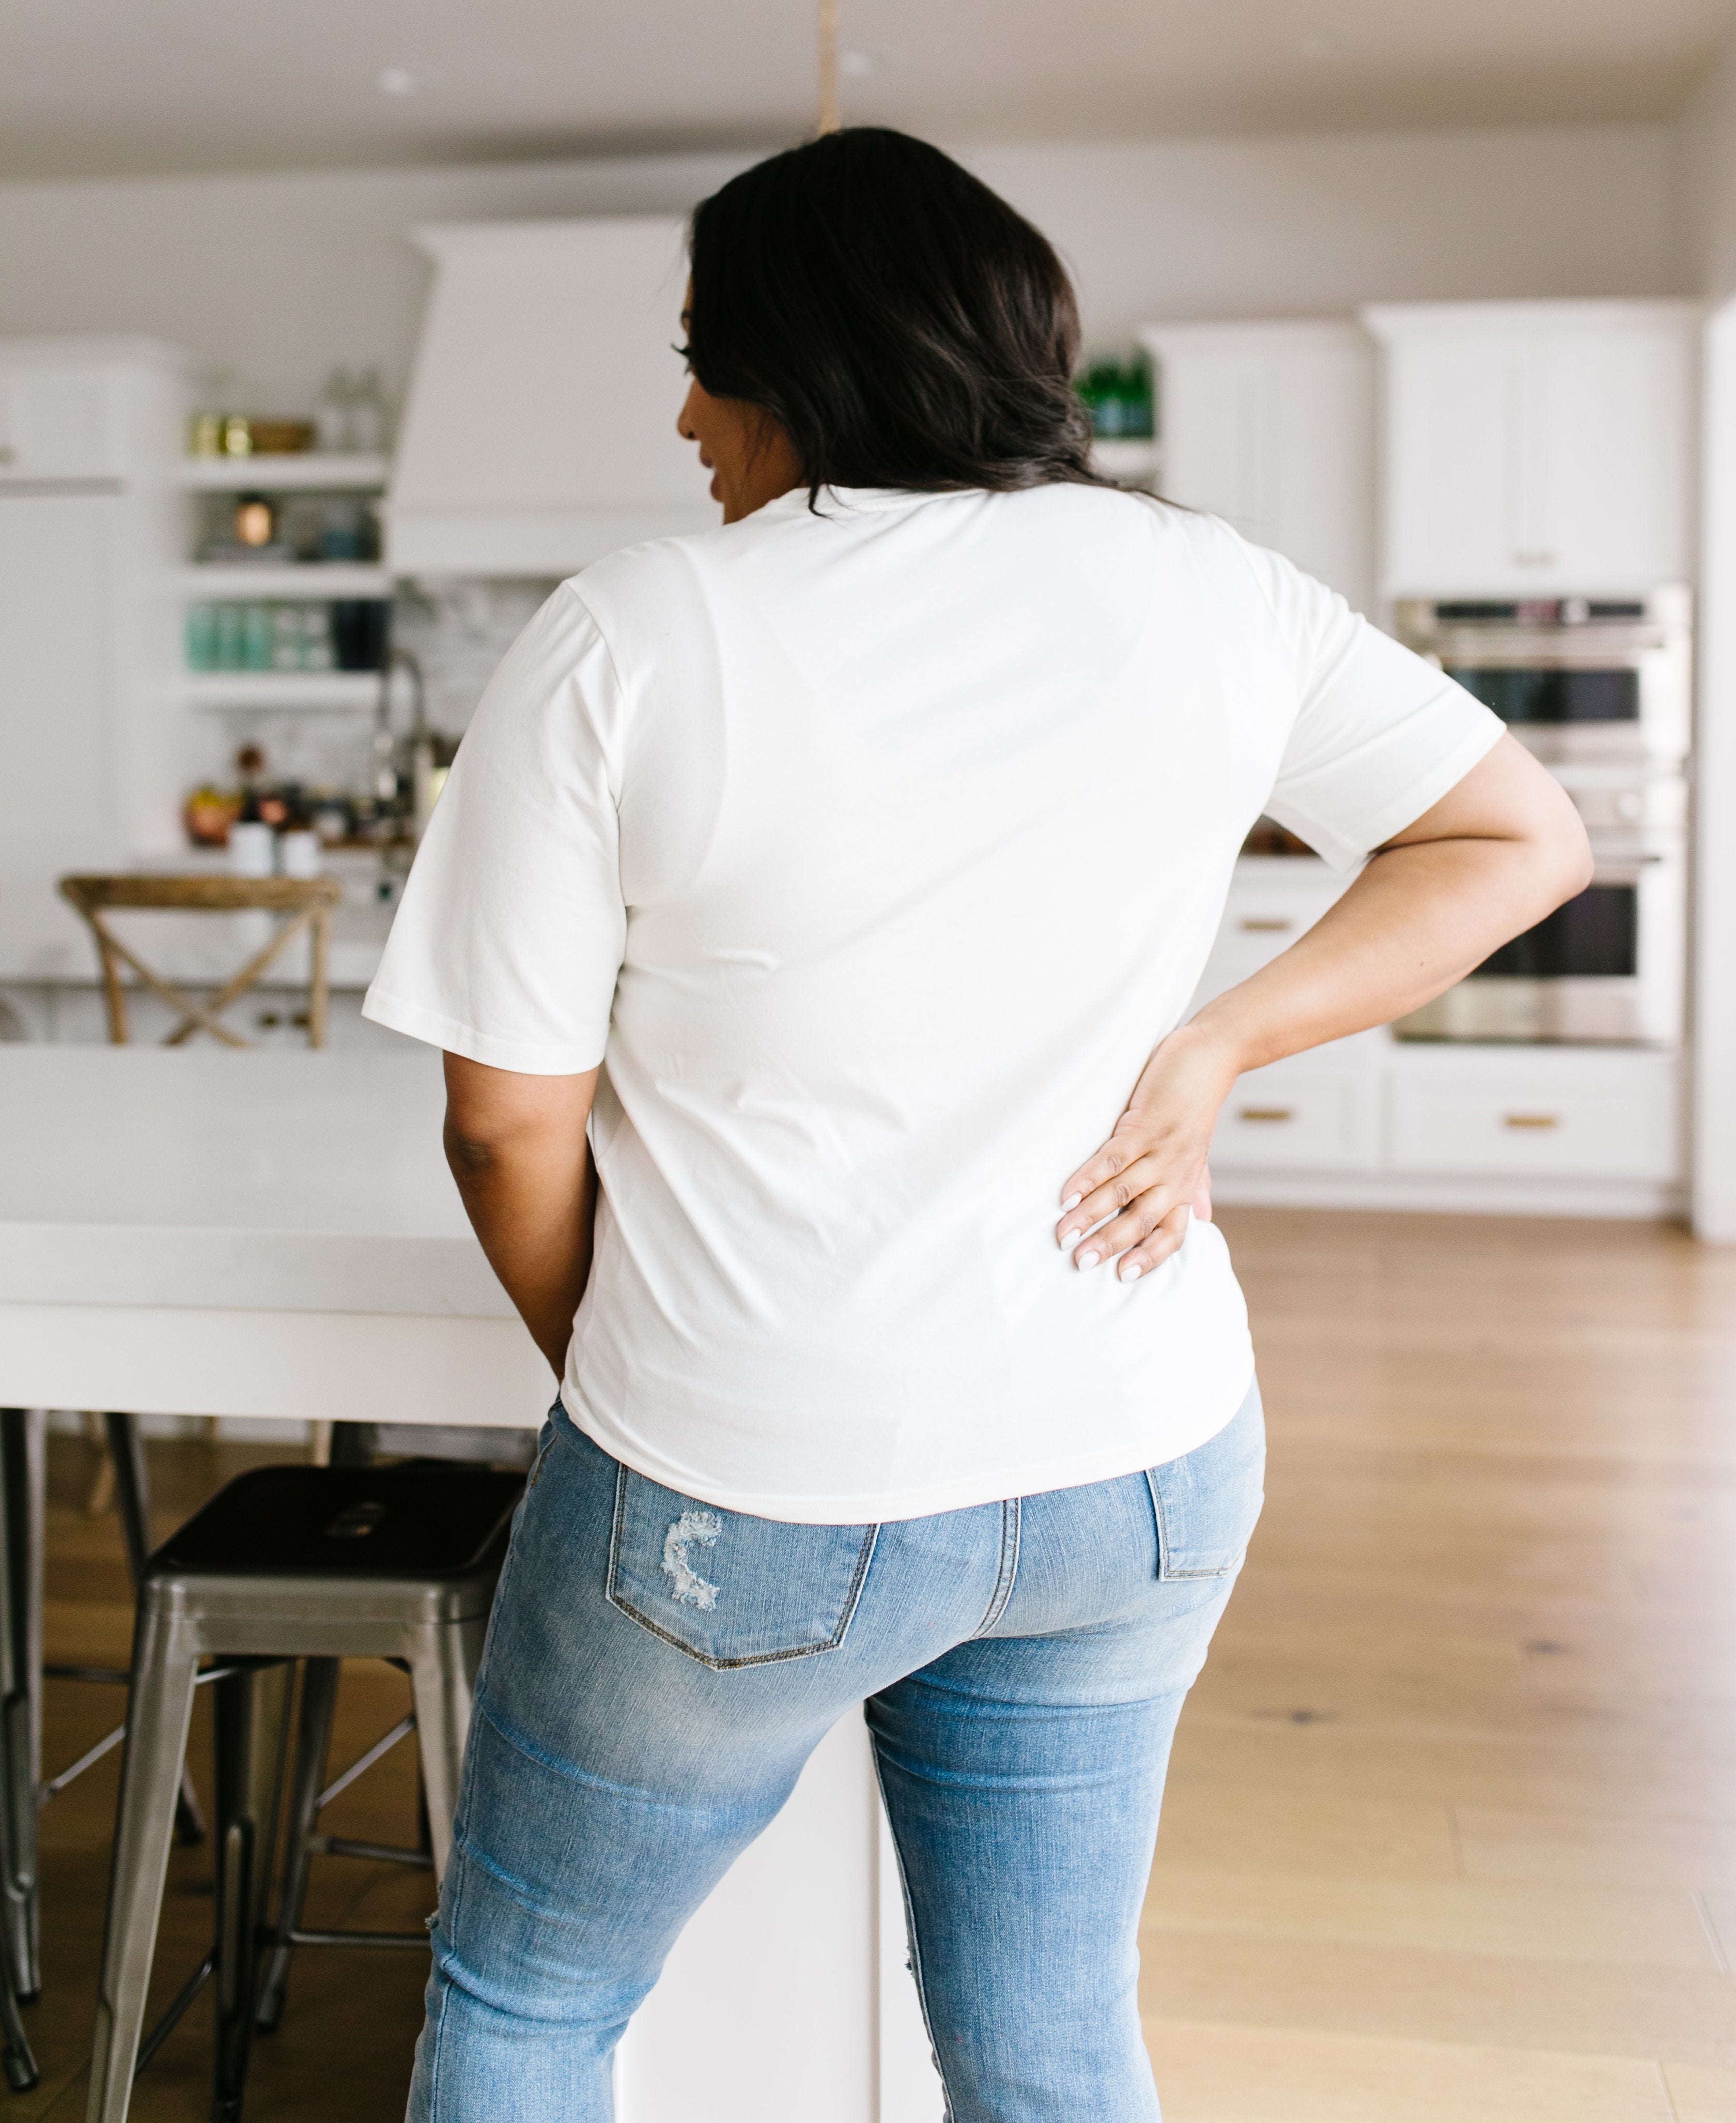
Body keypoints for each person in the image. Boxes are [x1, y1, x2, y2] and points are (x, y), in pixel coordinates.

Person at [363, 128, 1590, 2121]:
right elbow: (1521, 835)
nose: (686, 413)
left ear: (803, 360)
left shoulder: (636, 631)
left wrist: (631, 1381)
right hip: (1143, 1460)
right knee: (1049, 2038)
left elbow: (506, 1125)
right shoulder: (1201, 581)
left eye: (706, 356)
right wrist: (1219, 1047)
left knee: (532, 2001)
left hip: (742, 1485)